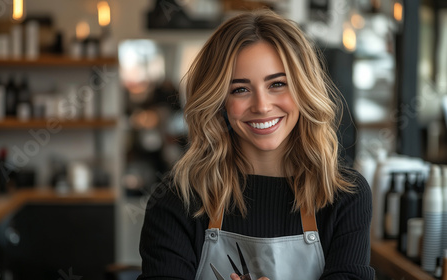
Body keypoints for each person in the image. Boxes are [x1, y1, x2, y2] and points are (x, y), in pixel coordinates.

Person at [138, 9, 375, 280]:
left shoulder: (345, 197)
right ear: (219, 102)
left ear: (303, 89)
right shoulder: (178, 200)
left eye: (277, 84)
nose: (262, 106)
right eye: (240, 89)